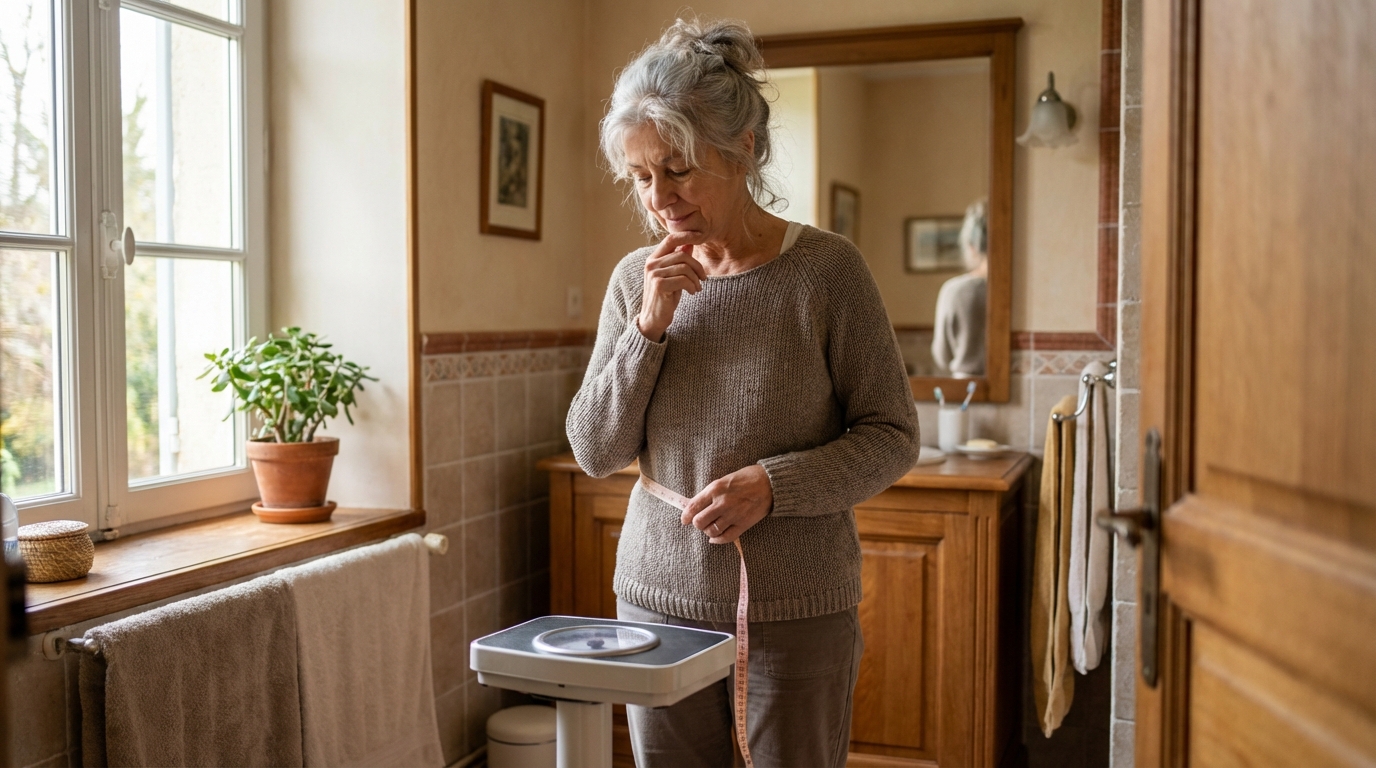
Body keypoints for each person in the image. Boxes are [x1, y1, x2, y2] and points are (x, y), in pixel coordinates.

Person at [566, 16, 920, 768]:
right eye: (641, 176)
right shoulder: (637, 281)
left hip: (797, 607)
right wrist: (648, 330)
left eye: (679, 168)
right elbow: (596, 451)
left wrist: (775, 485)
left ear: (744, 149)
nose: (660, 197)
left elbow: (891, 435)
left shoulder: (827, 272)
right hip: (657, 604)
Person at [931, 199, 989, 377]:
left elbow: (942, 356)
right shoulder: (1021, 293)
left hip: (964, 390)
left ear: (971, 247)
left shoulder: (954, 291)